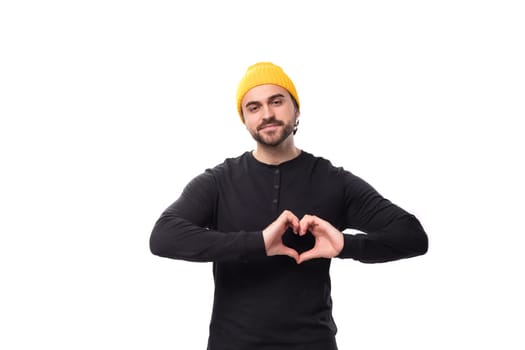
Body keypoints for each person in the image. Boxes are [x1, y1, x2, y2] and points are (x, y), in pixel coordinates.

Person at [150, 62, 428, 350]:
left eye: (277, 101)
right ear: (244, 119)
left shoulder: (333, 180)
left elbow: (412, 236)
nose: (267, 114)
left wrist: (346, 245)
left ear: (296, 109)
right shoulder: (220, 181)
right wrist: (257, 243)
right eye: (253, 107)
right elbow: (163, 236)